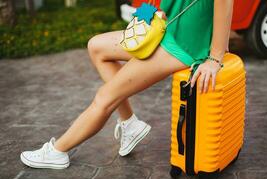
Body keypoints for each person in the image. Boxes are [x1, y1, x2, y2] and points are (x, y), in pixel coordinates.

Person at [20, 0, 234, 169]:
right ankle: (130, 124)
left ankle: (58, 152)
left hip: (184, 47)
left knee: (105, 97)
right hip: (168, 31)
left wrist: (215, 58)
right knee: (97, 46)